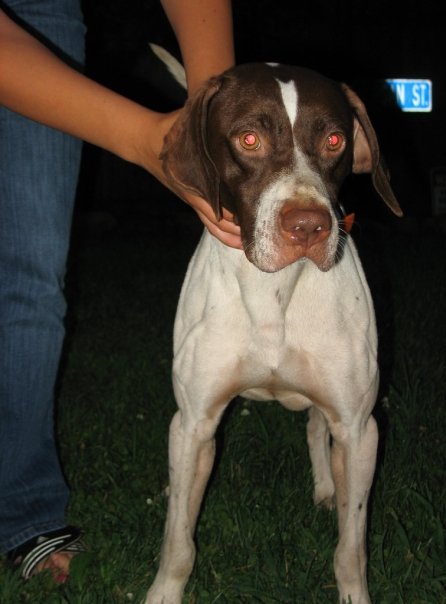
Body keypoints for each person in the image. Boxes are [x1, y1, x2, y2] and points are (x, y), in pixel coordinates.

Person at [0, 0, 240, 583]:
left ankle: (22, 508)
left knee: (32, 275)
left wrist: (211, 115)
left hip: (42, 10)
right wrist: (146, 140)